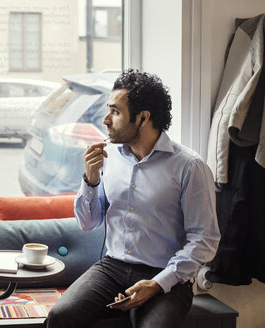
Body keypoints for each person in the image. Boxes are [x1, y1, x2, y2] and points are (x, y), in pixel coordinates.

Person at [43, 69, 221, 328]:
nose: (105, 120)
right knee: (60, 317)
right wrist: (90, 180)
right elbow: (88, 223)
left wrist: (159, 283)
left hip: (166, 274)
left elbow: (205, 240)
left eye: (115, 112)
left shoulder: (190, 167)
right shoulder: (110, 158)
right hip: (112, 268)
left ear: (143, 118)